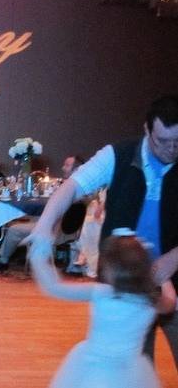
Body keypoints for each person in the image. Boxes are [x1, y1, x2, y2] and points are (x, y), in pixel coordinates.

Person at [27, 94, 178, 366]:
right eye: (163, 142)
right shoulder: (117, 155)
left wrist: (172, 260)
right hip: (125, 282)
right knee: (136, 361)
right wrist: (43, 227)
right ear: (147, 130)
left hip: (173, 275)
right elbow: (72, 187)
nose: (171, 149)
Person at [29, 232, 175, 388]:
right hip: (131, 372)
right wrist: (164, 279)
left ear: (111, 269)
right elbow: (170, 304)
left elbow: (54, 288)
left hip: (93, 367)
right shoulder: (150, 301)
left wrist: (39, 252)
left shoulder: (102, 292)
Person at [0, 155, 85, 272]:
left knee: (14, 229)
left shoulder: (70, 189)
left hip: (58, 230)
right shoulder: (79, 187)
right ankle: (29, 256)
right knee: (29, 218)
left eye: (67, 165)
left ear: (76, 169)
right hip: (68, 229)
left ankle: (3, 261)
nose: (62, 168)